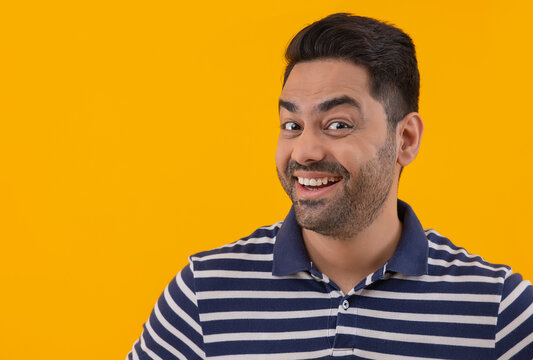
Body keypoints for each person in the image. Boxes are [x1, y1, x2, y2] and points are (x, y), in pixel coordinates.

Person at [127, 13, 533, 359]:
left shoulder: (498, 310)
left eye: (337, 125)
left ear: (405, 139)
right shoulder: (203, 296)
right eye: (292, 125)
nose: (303, 151)